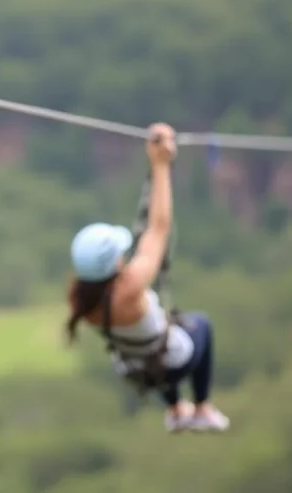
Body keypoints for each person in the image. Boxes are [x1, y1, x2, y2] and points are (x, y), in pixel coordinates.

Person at [64, 123, 229, 434]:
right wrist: (160, 165)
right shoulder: (130, 287)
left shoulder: (80, 301)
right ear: (112, 264)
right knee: (201, 324)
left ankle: (176, 408)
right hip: (172, 364)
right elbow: (158, 228)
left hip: (136, 368)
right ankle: (202, 406)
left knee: (151, 342)